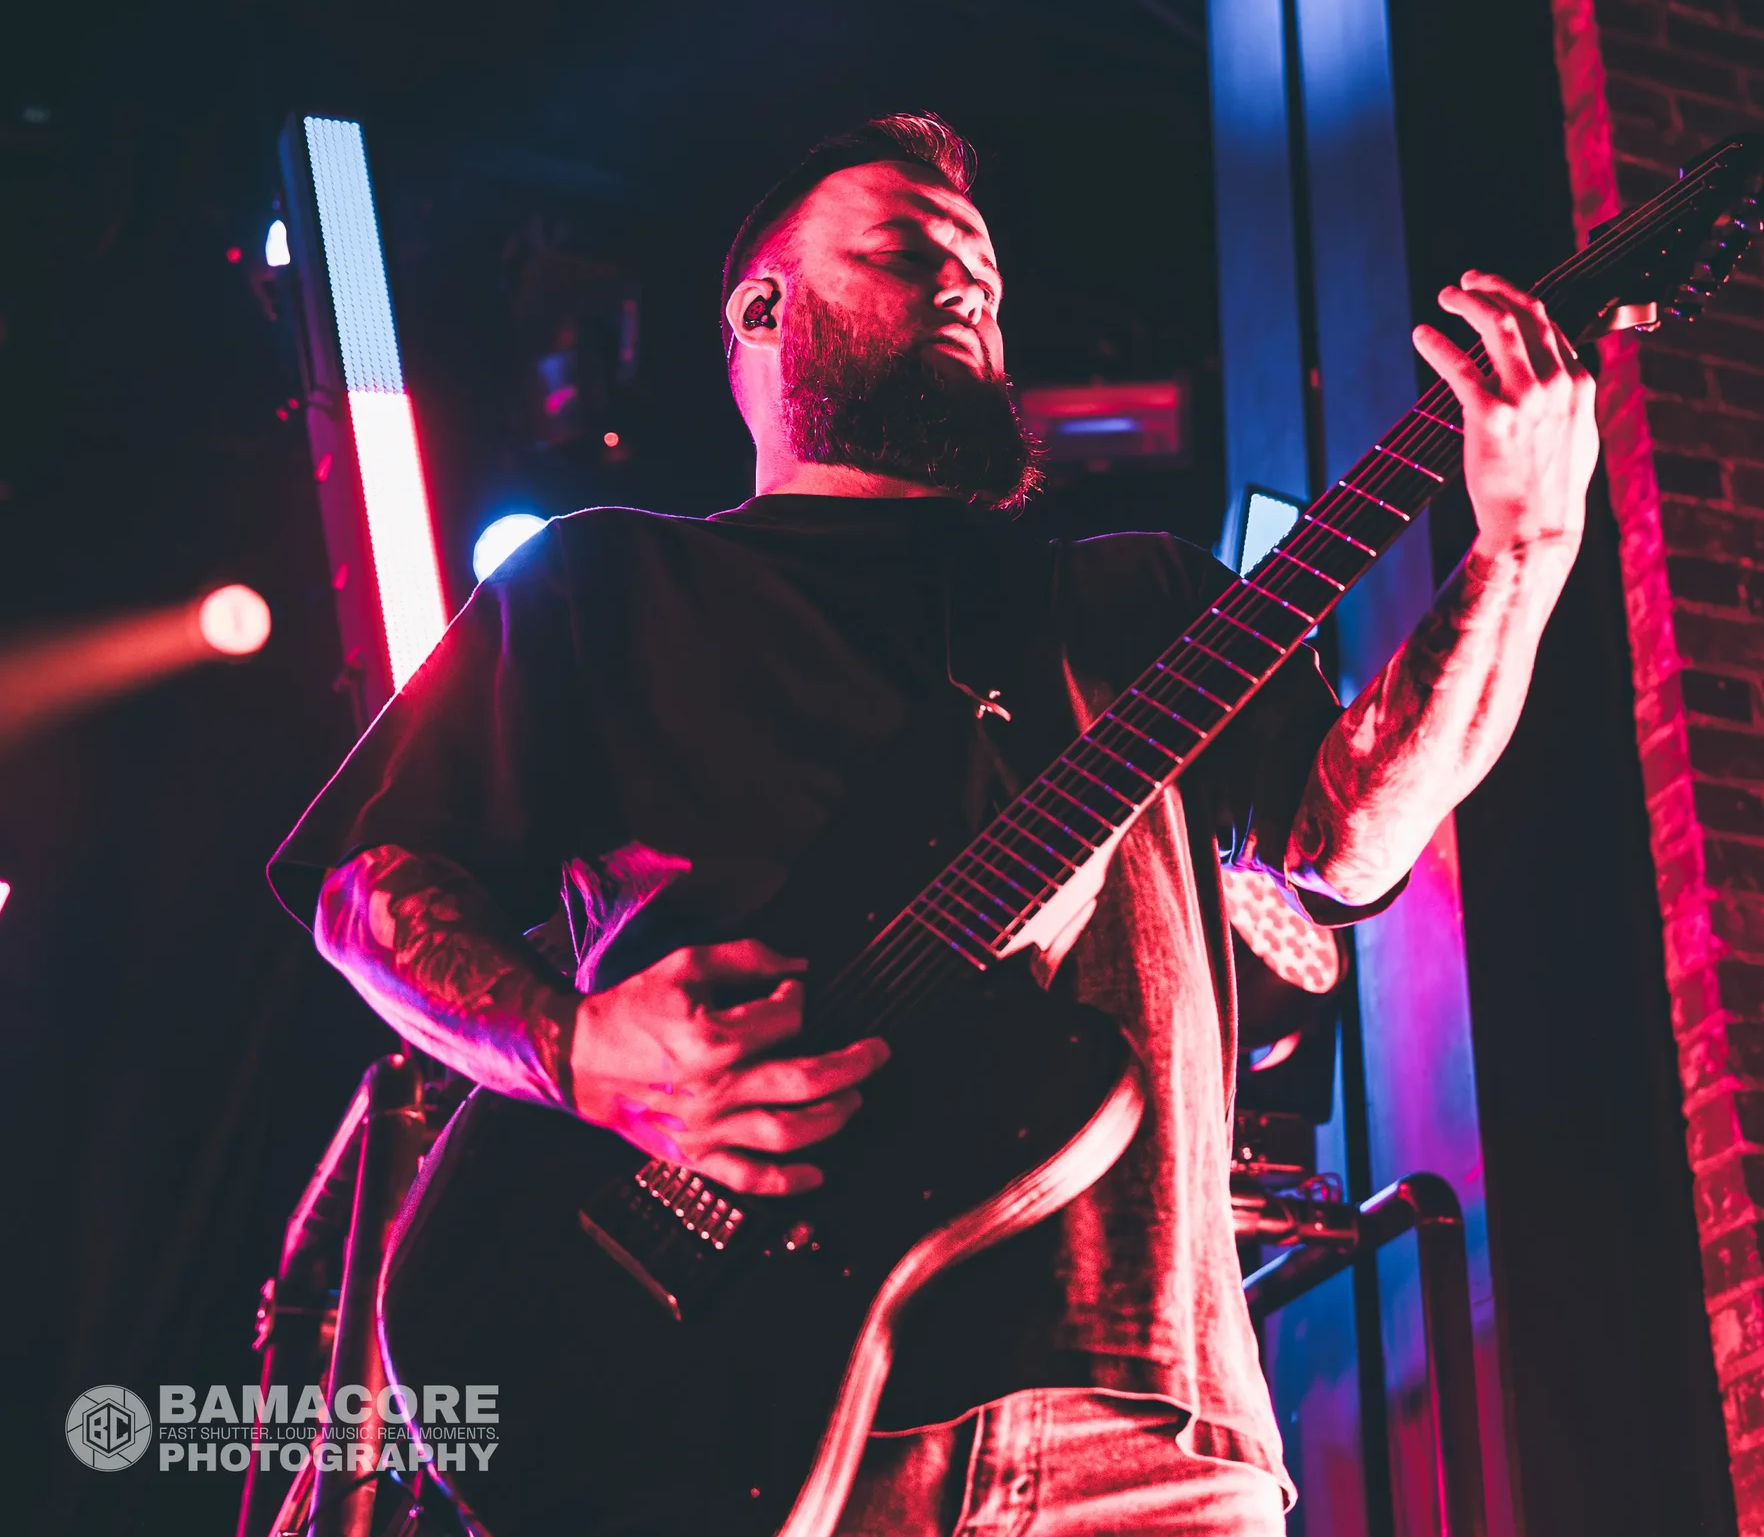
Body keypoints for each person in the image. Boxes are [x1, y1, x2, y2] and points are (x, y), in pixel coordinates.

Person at [269, 112, 1597, 1535]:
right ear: (765, 309)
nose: (970, 287)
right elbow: (369, 875)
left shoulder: (1135, 598)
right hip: (734, 1414)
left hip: (1151, 1438)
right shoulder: (607, 584)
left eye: (989, 275)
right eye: (909, 251)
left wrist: (1522, 547)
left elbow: (1345, 837)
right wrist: (579, 1049)